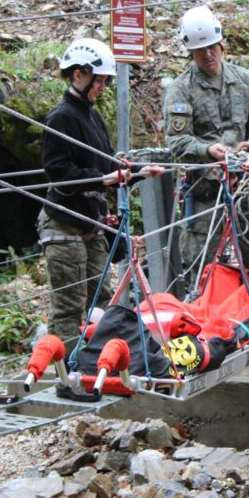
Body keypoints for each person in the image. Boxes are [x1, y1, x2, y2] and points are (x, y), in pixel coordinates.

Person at [39, 38, 163, 347]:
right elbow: (60, 174)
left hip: (89, 225)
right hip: (64, 225)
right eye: (99, 81)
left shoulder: (91, 115)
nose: (102, 87)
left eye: (106, 81)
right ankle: (66, 377)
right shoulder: (61, 117)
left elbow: (107, 163)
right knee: (69, 307)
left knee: (103, 300)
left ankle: (103, 362)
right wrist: (105, 179)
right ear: (78, 75)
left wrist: (137, 173)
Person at [163, 5, 249, 281]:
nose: (208, 54)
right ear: (190, 52)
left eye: (212, 47)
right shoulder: (181, 89)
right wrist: (207, 150)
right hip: (204, 198)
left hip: (244, 193)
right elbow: (178, 141)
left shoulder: (244, 80)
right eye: (200, 50)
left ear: (221, 43)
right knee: (201, 273)